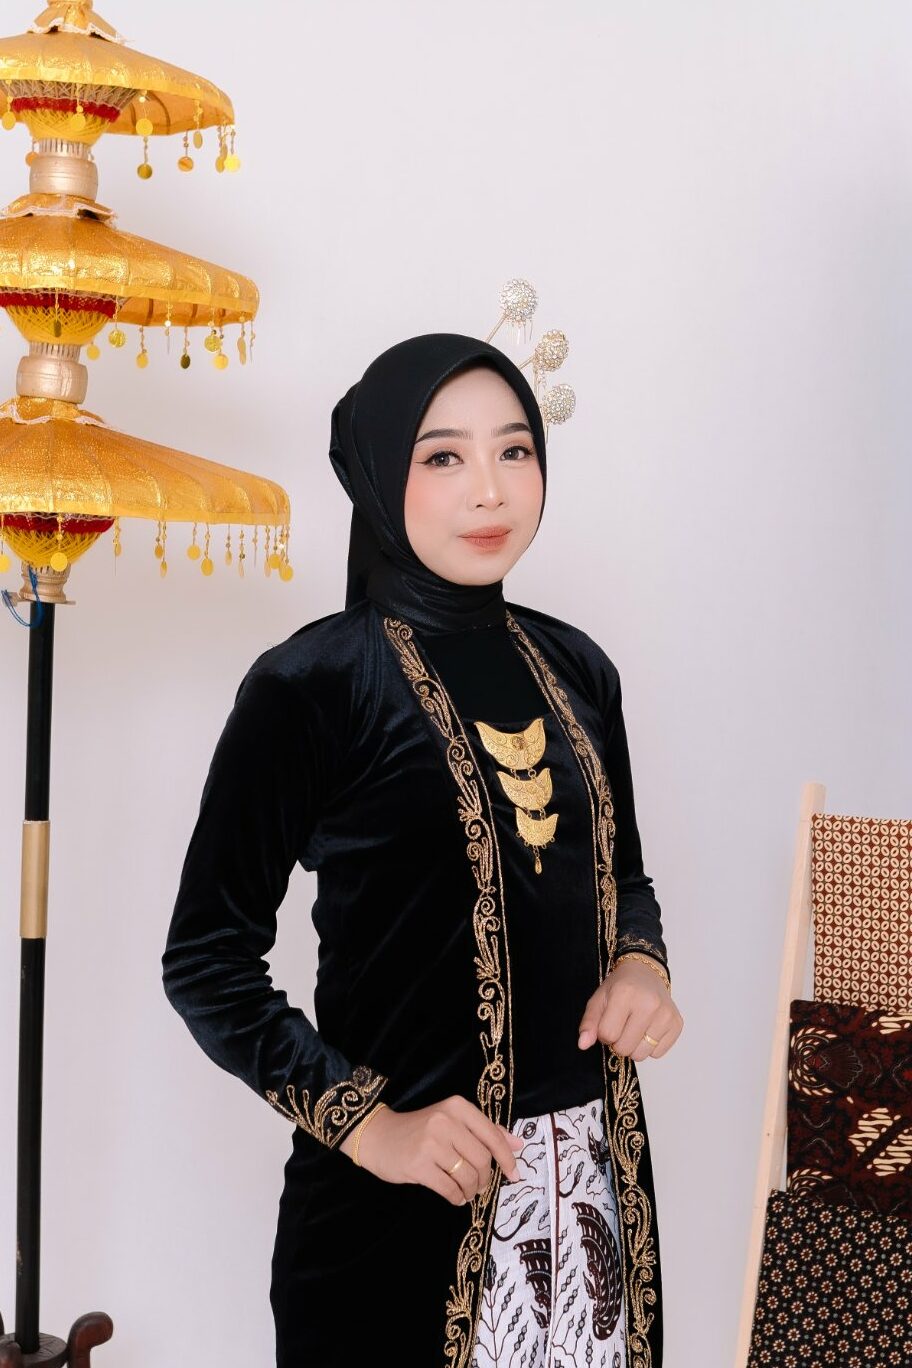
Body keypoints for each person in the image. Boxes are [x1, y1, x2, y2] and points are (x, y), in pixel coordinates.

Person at [161, 332, 683, 1367]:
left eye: (515, 450)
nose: (490, 489)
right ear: (376, 472)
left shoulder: (579, 668)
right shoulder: (314, 686)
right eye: (443, 456)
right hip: (393, 1221)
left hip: (591, 1199)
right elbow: (207, 961)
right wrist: (371, 1125)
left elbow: (622, 878)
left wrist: (641, 963)